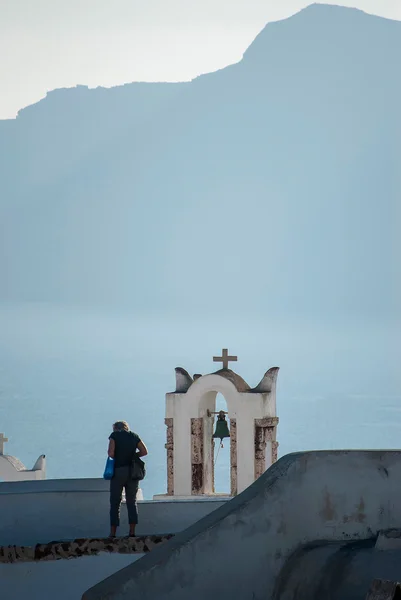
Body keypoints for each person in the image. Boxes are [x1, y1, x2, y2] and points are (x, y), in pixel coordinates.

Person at [107, 420, 148, 538]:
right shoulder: (134, 436)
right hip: (133, 473)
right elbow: (144, 451)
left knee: (115, 501)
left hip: (119, 471)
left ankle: (113, 532)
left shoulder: (114, 436)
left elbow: (111, 453)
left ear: (115, 428)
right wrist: (134, 455)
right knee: (132, 501)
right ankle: (132, 532)